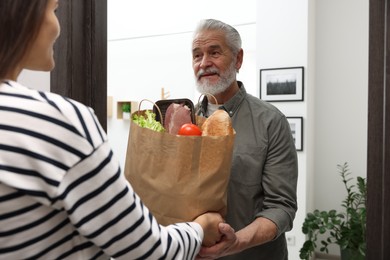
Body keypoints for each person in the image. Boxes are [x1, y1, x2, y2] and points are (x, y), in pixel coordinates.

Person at [0, 1, 223, 259]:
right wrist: (199, 229)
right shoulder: (59, 121)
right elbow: (150, 251)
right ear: (24, 15)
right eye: (54, 10)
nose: (58, 27)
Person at [192, 19, 298, 260]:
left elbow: (281, 208)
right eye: (197, 55)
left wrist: (236, 242)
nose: (204, 63)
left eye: (214, 52)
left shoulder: (271, 122)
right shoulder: (184, 120)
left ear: (238, 59)